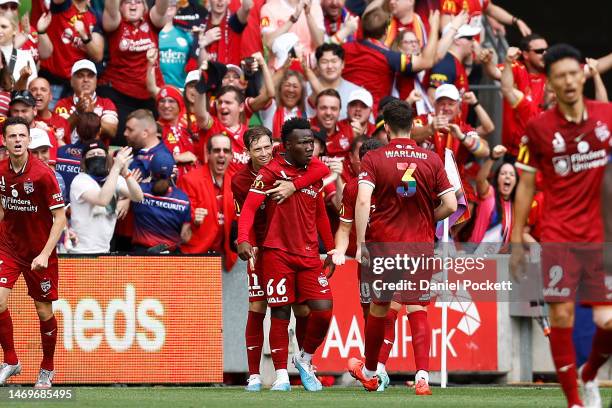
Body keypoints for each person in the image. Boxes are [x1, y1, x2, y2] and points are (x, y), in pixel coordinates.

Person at [511, 44, 612, 408]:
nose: (569, 81)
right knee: (563, 313)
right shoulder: (537, 129)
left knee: (607, 322)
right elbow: (524, 186)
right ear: (551, 84)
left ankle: (588, 376)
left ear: (583, 76)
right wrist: (518, 240)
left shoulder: (607, 116)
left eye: (573, 74)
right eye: (560, 77)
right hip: (558, 234)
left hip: (601, 236)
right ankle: (574, 401)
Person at [346, 99, 457, 394]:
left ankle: (371, 371)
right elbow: (451, 204)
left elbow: (362, 199)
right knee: (417, 306)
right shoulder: (431, 159)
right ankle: (422, 377)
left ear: (385, 126)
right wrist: (426, 218)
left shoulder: (375, 158)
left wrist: (361, 242)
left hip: (384, 245)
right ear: (413, 125)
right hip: (420, 246)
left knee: (380, 309)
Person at [237, 118, 335, 392]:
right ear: (287, 145)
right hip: (276, 252)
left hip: (308, 254)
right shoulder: (269, 172)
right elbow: (248, 209)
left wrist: (330, 248)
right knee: (278, 311)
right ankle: (280, 374)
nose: (309, 147)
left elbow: (321, 215)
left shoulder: (315, 168)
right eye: (303, 142)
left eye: (310, 142)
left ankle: (304, 358)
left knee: (323, 310)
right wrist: (243, 238)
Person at [0, 116, 67, 388]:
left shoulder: (42, 174)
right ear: (4, 141)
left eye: (22, 136)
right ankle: (11, 361)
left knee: (43, 311)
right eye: (12, 136)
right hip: (9, 248)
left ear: (28, 140)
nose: (17, 140)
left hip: (40, 252)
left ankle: (47, 367)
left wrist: (44, 254)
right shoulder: (1, 170)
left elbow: (60, 219)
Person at [342, 8, 439, 113]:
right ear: (386, 31)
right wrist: (434, 27)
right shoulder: (390, 57)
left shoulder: (343, 49)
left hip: (344, 111)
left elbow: (323, 49)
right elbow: (426, 61)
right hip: (372, 117)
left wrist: (344, 31)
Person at [99, 0, 169, 145]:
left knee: (154, 140)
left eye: (138, 1)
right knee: (122, 139)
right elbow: (111, 8)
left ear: (145, 6)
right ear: (120, 6)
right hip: (120, 93)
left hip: (150, 93)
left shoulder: (152, 21)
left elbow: (162, 7)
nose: (132, 5)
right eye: (127, 2)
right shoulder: (115, 22)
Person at [68, 142, 143, 253]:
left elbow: (138, 197)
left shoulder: (114, 178)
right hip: (80, 251)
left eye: (99, 153)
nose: (96, 156)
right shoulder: (80, 180)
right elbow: (102, 200)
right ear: (84, 161)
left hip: (104, 250)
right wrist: (116, 167)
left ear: (107, 158)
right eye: (91, 154)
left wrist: (126, 172)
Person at [178, 134, 237, 270]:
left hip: (225, 256)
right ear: (208, 154)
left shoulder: (236, 180)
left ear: (231, 155)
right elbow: (183, 215)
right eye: (216, 150)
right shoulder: (190, 180)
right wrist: (194, 218)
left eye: (226, 151)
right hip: (197, 254)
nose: (221, 154)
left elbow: (239, 215)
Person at [38, 0, 105, 106]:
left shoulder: (94, 15)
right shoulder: (62, 5)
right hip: (53, 84)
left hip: (78, 87)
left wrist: (84, 36)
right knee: (49, 122)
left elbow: (98, 56)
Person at [131, 153, 192, 253]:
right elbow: (185, 237)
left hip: (142, 255)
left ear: (151, 171)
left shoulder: (140, 191)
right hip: (169, 259)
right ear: (172, 172)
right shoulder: (182, 199)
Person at [54, 60, 119, 144]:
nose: (85, 80)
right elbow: (59, 133)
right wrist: (77, 114)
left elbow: (112, 131)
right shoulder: (62, 104)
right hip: (69, 154)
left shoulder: (106, 103)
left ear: (96, 81)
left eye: (90, 76)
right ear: (72, 81)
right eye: (80, 76)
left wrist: (91, 115)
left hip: (97, 154)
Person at [470, 145, 516, 245]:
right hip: (477, 253)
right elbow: (480, 180)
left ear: (516, 182)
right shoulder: (489, 193)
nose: (507, 176)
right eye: (503, 173)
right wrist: (492, 158)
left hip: (502, 257)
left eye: (512, 175)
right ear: (497, 178)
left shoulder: (515, 205)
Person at [305, 43, 364, 120]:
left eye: (334, 61)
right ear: (318, 66)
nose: (329, 66)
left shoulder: (357, 92)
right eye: (324, 62)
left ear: (343, 64)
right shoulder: (304, 89)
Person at [55, 112, 101, 202]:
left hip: (59, 206)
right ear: (99, 132)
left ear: (76, 131)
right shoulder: (99, 159)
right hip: (83, 209)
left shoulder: (60, 151)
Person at [123, 109, 175, 179]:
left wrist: (132, 184)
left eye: (130, 130)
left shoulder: (161, 159)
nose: (125, 133)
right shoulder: (132, 149)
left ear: (145, 133)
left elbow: (160, 188)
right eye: (126, 129)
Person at [29, 78, 71, 147]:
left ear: (50, 96)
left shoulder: (62, 122)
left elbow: (67, 151)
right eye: (33, 90)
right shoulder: (25, 120)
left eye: (43, 90)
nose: (38, 93)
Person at [28, 128, 67, 201]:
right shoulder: (14, 177)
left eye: (44, 151)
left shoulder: (58, 178)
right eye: (34, 152)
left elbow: (60, 210)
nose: (40, 157)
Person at [0, 15, 37, 86]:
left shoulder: (25, 56)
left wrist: (23, 78)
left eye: (4, 27)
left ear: (14, 31)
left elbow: (32, 88)